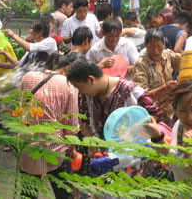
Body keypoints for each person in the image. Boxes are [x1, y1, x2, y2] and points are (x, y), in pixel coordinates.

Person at [19, 60, 79, 199]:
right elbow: (71, 125)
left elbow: (21, 106)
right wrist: (72, 150)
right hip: (55, 147)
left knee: (28, 193)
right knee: (64, 194)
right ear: (67, 68)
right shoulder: (69, 85)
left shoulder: (28, 77)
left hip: (28, 143)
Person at [66, 59, 165, 141]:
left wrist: (132, 130)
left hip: (130, 154)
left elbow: (155, 114)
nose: (80, 92)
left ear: (91, 79)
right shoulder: (87, 95)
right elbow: (84, 120)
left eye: (79, 87)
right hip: (103, 155)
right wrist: (91, 141)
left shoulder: (130, 91)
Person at [132, 29, 180, 100]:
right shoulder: (141, 65)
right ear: (145, 44)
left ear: (163, 43)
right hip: (153, 109)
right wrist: (165, 88)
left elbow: (186, 61)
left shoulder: (168, 55)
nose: (156, 50)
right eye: (152, 46)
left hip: (170, 107)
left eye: (158, 46)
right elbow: (142, 96)